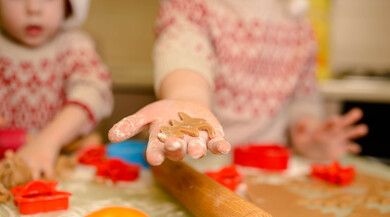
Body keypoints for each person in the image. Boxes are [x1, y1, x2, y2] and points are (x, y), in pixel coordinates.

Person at [109, 0, 368, 165]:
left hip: (269, 171)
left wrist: (308, 130)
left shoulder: (300, 24)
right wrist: (189, 99)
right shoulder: (192, 5)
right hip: (199, 163)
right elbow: (183, 49)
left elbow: (303, 96)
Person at [0, 0, 113, 179]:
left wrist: (48, 141)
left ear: (68, 5)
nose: (33, 8)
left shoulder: (74, 46)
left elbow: (93, 91)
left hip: (64, 166)